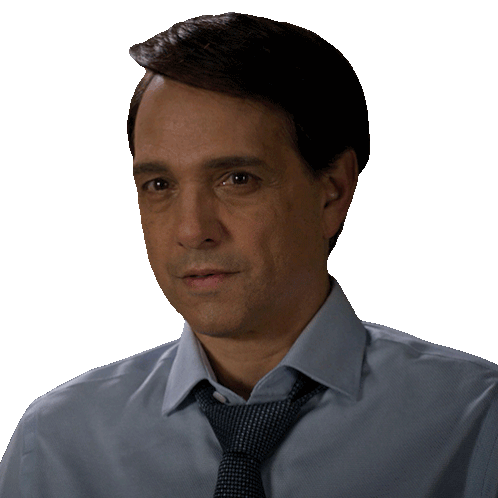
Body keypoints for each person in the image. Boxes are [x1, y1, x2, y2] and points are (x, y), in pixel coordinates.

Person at [1, 12, 497, 498]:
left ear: (332, 191)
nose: (192, 231)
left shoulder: (476, 422)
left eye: (237, 179)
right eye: (159, 185)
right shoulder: (54, 445)